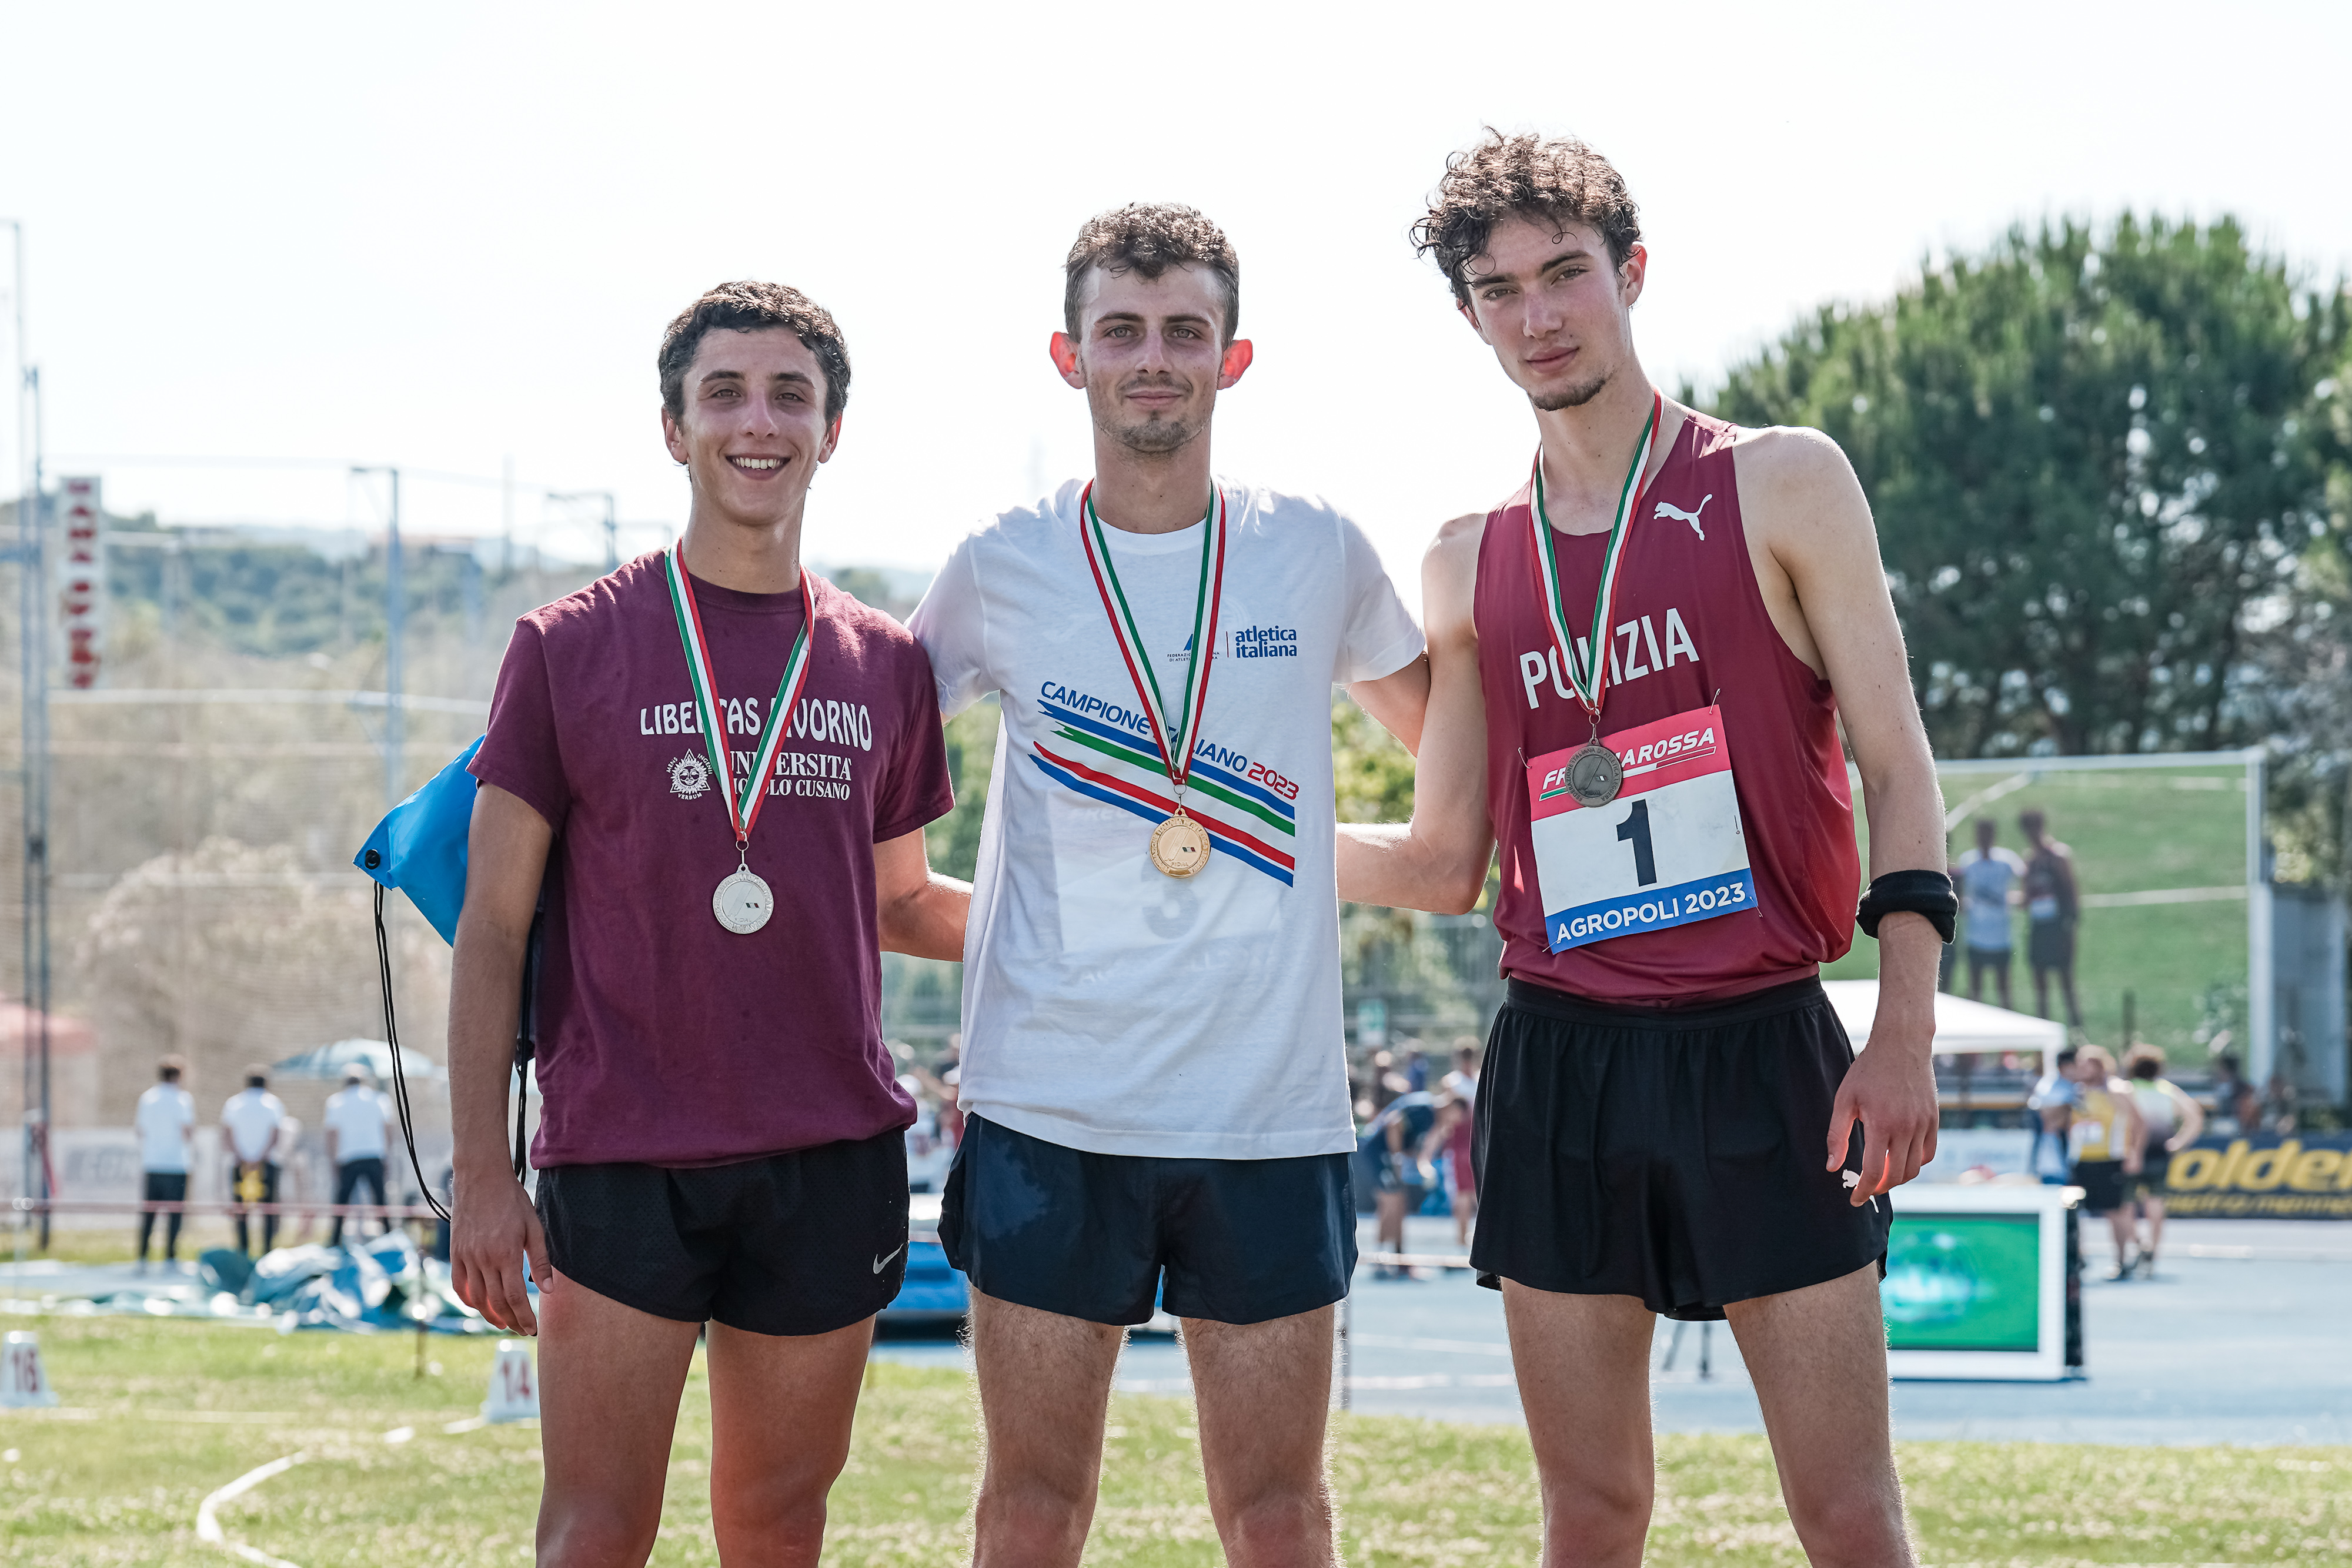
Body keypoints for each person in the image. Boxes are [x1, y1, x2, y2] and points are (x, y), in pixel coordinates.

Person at [1338, 132, 1950, 1567]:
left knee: (1846, 1512)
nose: (1538, 314)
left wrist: (1902, 1031)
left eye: (1565, 273)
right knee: (1591, 1510)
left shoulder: (1781, 481)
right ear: (1469, 317)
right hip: (1560, 1057)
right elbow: (1450, 851)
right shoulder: (1464, 558)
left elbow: (1895, 761)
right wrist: (1238, 824)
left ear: (1631, 274)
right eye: (1499, 290)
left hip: (1762, 1044)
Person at [908, 202, 1427, 1568]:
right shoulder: (996, 564)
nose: (1153, 359)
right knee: (1030, 1507)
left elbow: (1449, 749)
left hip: (1267, 1111)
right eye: (1121, 331)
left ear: (1231, 359)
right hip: (1050, 1104)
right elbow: (869, 772)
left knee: (1278, 1513)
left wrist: (1307, 853)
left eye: (1184, 331)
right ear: (1068, 356)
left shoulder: (1316, 549)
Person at [447, 280, 963, 1568]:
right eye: (723, 393)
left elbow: (902, 902)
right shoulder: (567, 646)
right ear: (673, 428)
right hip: (624, 1150)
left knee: (779, 1528)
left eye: (791, 395)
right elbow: (493, 926)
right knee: (594, 1531)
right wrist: (481, 1175)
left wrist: (1111, 937)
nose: (758, 422)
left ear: (832, 429)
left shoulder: (884, 662)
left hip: (827, 1153)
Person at [2121, 1044, 2205, 1278]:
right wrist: (2179, 1142)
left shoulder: (2127, 1089)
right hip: (2159, 1150)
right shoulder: (2167, 1090)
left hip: (2130, 1150)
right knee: (2155, 1202)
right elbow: (2195, 1116)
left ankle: (2141, 1245)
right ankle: (2153, 1253)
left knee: (2125, 1203)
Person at [2065, 1044, 2144, 1279]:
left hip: (2110, 1159)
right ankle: (2078, 1258)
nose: (2082, 1069)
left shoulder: (2116, 1090)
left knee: (2115, 1211)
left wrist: (2134, 1153)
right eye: (2080, 1064)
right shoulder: (2077, 1092)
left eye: (2087, 1064)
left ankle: (2121, 1260)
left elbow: (2138, 1123)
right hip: (2081, 1159)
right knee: (2074, 1211)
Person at [1361, 1084, 1436, 1279]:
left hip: (1385, 1156)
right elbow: (1394, 1123)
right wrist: (1396, 1159)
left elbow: (1413, 1148)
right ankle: (1380, 1261)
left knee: (1398, 1204)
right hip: (1380, 1155)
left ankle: (1398, 1258)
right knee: (1391, 1203)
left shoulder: (1432, 1121)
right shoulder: (1426, 1109)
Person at [2019, 808, 2083, 1029]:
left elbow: (2071, 892)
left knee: (2066, 981)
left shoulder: (2058, 856)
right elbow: (2027, 896)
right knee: (2040, 985)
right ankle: (2043, 1030)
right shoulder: (2030, 860)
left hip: (2058, 927)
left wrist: (2070, 925)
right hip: (2039, 926)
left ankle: (2076, 1031)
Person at [1953, 818, 2026, 1009]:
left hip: (2001, 936)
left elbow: (2027, 879)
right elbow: (1959, 890)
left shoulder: (2007, 860)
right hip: (1975, 936)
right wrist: (1963, 904)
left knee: (2004, 990)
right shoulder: (1968, 861)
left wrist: (2016, 899)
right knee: (1975, 989)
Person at [133, 1055, 195, 1269]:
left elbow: (140, 1130)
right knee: (175, 1214)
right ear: (178, 1076)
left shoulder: (148, 1098)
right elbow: (187, 1131)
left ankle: (142, 1257)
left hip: (152, 1163)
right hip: (176, 1165)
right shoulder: (182, 1099)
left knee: (149, 1213)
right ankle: (170, 1258)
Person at [222, 1067, 289, 1257]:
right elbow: (276, 1134)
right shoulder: (273, 1104)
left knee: (241, 1211)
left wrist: (243, 1157)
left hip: (240, 1164)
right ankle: (267, 1253)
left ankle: (243, 1252)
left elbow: (227, 1133)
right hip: (266, 1163)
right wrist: (260, 1158)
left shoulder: (234, 1103)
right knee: (269, 1211)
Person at [323, 1064, 392, 1248]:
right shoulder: (379, 1099)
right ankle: (389, 1237)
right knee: (380, 1200)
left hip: (348, 1156)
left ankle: (335, 1241)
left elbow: (332, 1133)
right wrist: (387, 1155)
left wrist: (333, 1160)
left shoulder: (336, 1102)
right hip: (374, 1154)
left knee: (342, 1202)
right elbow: (387, 1128)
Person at [1425, 1043, 1481, 1246]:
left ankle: (1463, 1242)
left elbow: (1443, 1120)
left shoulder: (1453, 1082)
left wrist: (1428, 1152)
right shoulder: (1480, 1079)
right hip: (1474, 1144)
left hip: (1463, 1145)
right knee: (1472, 1194)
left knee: (1465, 1194)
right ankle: (1470, 1242)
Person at [2026, 1048, 2080, 1184]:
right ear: (2066, 1066)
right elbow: (2049, 1118)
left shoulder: (2080, 1086)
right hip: (2054, 1157)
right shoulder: (2049, 1087)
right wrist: (2068, 1107)